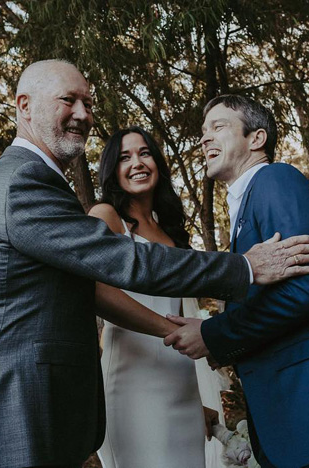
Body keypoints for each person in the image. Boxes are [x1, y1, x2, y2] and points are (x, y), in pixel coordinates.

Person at [0, 61, 309, 468]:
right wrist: (243, 268)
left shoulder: (35, 181)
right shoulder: (22, 181)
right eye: (68, 100)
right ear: (24, 106)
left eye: (88, 103)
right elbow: (123, 261)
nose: (83, 114)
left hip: (42, 400)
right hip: (12, 401)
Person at [165, 95, 309, 468]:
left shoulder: (276, 180)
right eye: (203, 131)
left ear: (256, 138)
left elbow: (300, 294)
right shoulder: (248, 202)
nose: (204, 138)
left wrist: (212, 334)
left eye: (218, 127)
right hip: (294, 420)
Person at [88, 126, 227, 468]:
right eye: (124, 157)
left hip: (183, 384)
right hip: (133, 384)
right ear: (112, 170)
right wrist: (170, 332)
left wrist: (200, 398)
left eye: (144, 153)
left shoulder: (170, 232)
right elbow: (96, 291)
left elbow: (181, 309)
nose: (137, 163)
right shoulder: (106, 216)